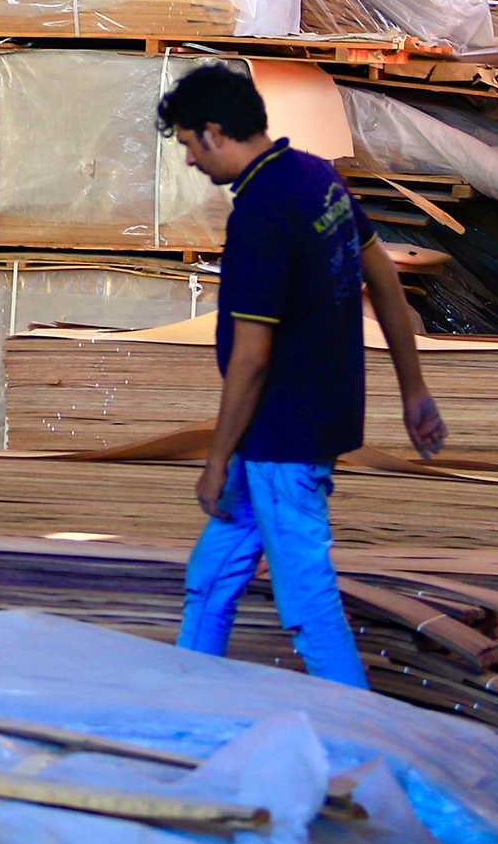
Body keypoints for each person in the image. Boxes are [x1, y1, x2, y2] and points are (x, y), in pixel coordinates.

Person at [155, 63, 447, 688]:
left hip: (282, 439)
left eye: (188, 144)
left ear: (214, 131)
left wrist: (215, 458)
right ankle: (185, 697)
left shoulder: (260, 213)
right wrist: (413, 389)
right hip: (296, 426)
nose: (189, 160)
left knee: (308, 606)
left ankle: (359, 731)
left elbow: (252, 357)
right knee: (212, 576)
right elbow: (384, 277)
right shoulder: (317, 178)